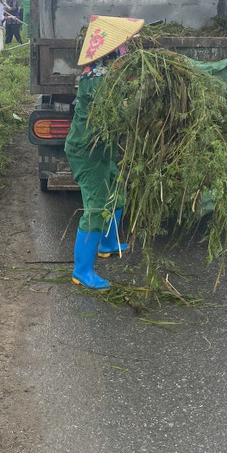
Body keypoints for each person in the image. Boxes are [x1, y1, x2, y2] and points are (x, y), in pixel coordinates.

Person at [64, 15, 144, 290]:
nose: (126, 53)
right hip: (87, 151)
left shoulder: (105, 70)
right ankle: (82, 271)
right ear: (111, 52)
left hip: (102, 147)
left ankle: (108, 244)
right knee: (96, 207)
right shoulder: (98, 81)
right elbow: (121, 112)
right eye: (123, 50)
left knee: (117, 192)